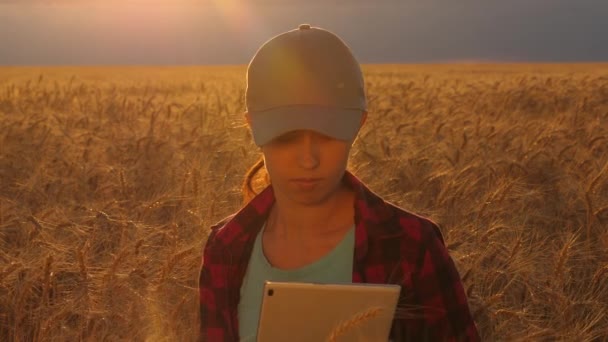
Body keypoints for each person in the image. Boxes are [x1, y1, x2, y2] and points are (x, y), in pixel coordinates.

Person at [198, 23, 480, 341]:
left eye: (327, 135)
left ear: (358, 125)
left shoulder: (411, 247)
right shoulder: (226, 247)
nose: (308, 159)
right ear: (253, 128)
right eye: (286, 138)